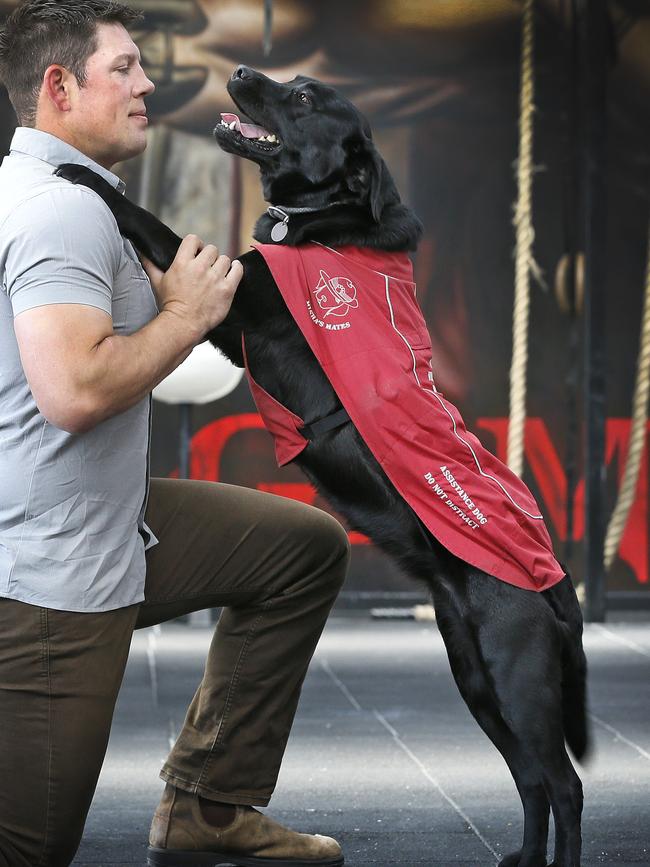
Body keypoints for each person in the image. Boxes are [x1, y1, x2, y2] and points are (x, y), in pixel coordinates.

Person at [0, 2, 350, 865]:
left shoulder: (61, 194)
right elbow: (76, 391)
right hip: (56, 574)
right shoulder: (60, 212)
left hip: (111, 523)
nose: (147, 83)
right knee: (30, 847)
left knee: (300, 549)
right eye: (122, 68)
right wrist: (186, 315)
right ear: (59, 86)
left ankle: (210, 807)